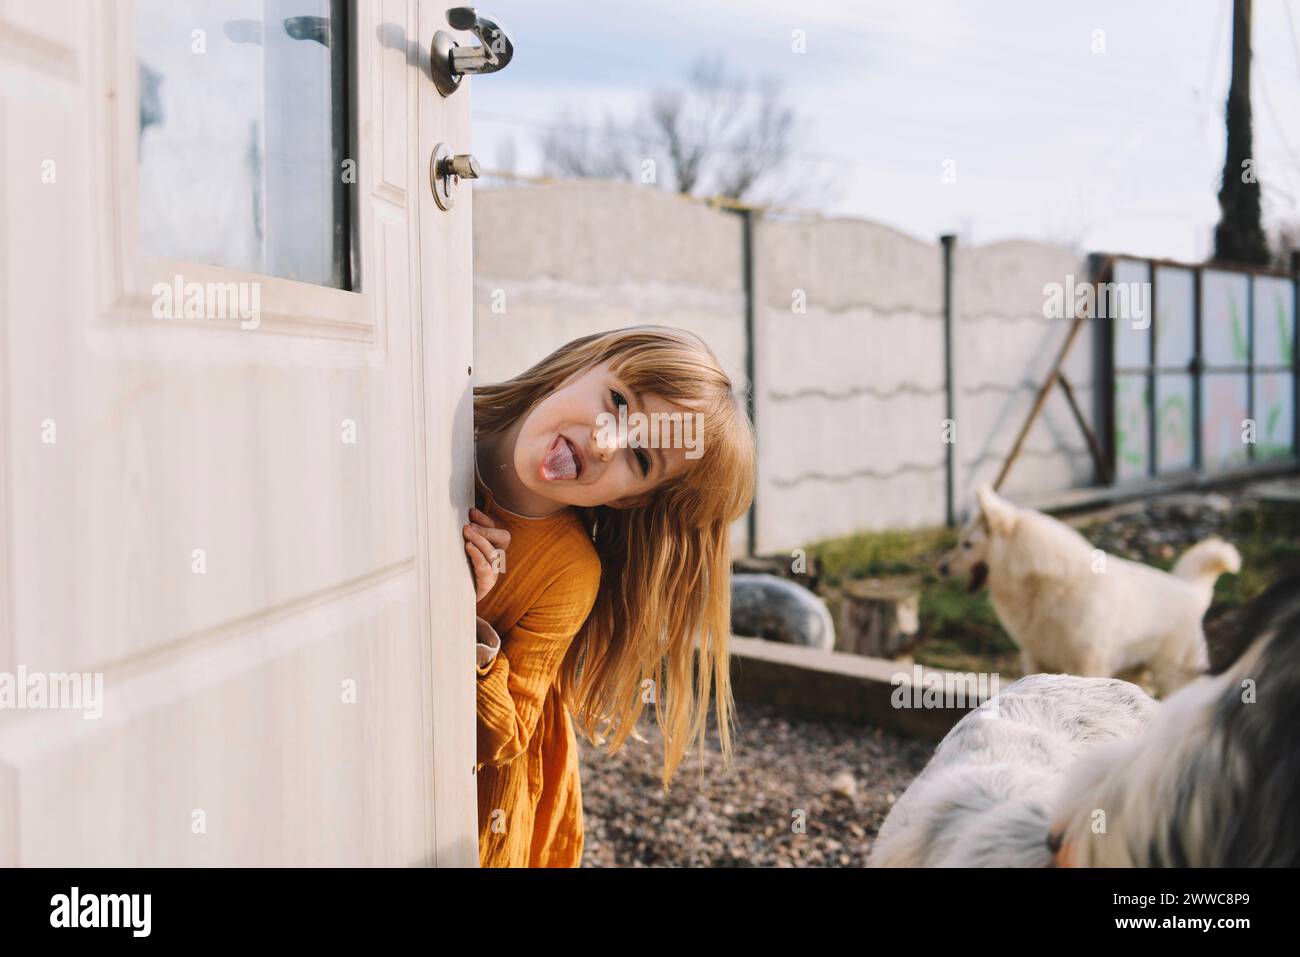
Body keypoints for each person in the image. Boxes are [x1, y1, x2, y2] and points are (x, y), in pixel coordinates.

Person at [463, 325, 756, 867]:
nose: (605, 442)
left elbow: (504, 738)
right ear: (581, 364)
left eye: (640, 459)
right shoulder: (438, 411)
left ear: (630, 500)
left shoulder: (568, 574)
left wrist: (467, 628)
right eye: (617, 402)